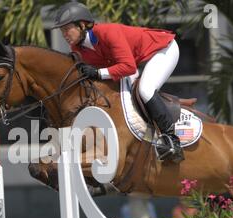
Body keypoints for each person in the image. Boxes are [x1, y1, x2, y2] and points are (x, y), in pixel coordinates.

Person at [53, 2, 184, 163]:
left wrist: (98, 73)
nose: (64, 35)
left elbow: (127, 67)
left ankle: (172, 141)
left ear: (82, 25)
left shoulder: (109, 32)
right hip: (137, 61)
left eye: (67, 29)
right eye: (62, 31)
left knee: (145, 89)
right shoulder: (78, 49)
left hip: (162, 50)